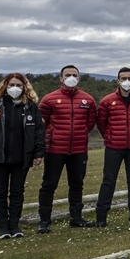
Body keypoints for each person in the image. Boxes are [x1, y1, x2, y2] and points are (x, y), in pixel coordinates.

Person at [0, 73, 46, 238]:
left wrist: (38, 153)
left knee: (17, 191)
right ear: (5, 86)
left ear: (25, 87)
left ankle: (14, 225)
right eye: (12, 85)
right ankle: (3, 227)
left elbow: (39, 132)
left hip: (21, 157)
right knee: (0, 191)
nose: (15, 88)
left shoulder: (31, 107)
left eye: (19, 85)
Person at [36, 65, 97, 232]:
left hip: (78, 150)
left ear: (79, 78)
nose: (71, 78)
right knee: (49, 185)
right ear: (61, 78)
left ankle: (76, 218)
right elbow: (41, 123)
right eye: (68, 75)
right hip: (55, 150)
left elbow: (90, 123)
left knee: (77, 184)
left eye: (74, 75)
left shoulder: (88, 100)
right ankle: (44, 221)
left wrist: (81, 134)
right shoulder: (49, 99)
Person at [95, 67, 130, 227]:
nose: (127, 81)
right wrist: (110, 136)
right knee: (109, 180)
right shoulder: (107, 101)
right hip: (114, 147)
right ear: (118, 81)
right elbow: (101, 123)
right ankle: (101, 216)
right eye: (123, 78)